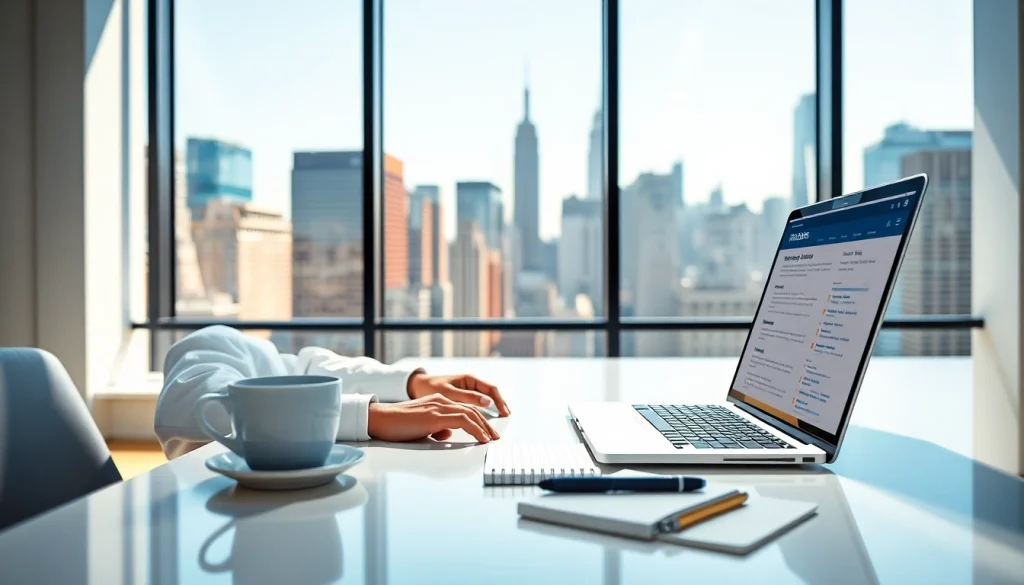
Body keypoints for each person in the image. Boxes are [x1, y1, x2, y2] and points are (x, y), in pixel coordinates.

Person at [154, 325, 510, 459]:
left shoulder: (262, 357)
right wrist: (371, 418)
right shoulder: (211, 341)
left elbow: (308, 368)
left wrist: (410, 384)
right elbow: (194, 406)